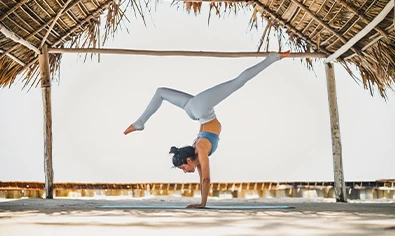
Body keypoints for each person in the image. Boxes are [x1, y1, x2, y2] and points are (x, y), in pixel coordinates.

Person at [124, 50, 291, 208]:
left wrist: (203, 204)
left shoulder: (201, 149)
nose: (184, 172)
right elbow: (202, 178)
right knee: (160, 92)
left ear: (189, 160)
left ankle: (273, 58)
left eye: (183, 168)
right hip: (194, 110)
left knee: (238, 82)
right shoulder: (197, 152)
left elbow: (206, 179)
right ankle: (139, 123)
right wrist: (200, 201)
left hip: (200, 110)